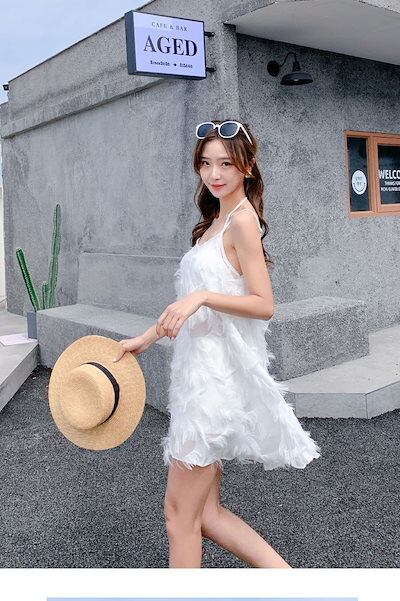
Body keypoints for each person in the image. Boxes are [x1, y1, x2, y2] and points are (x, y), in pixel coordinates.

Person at [113, 119, 321, 568]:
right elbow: (188, 305)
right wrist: (146, 338)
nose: (214, 174)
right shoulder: (214, 221)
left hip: (213, 385)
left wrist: (203, 296)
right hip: (196, 377)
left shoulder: (241, 222)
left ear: (247, 165)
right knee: (205, 514)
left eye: (225, 163)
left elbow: (264, 304)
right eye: (206, 164)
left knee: (178, 517)